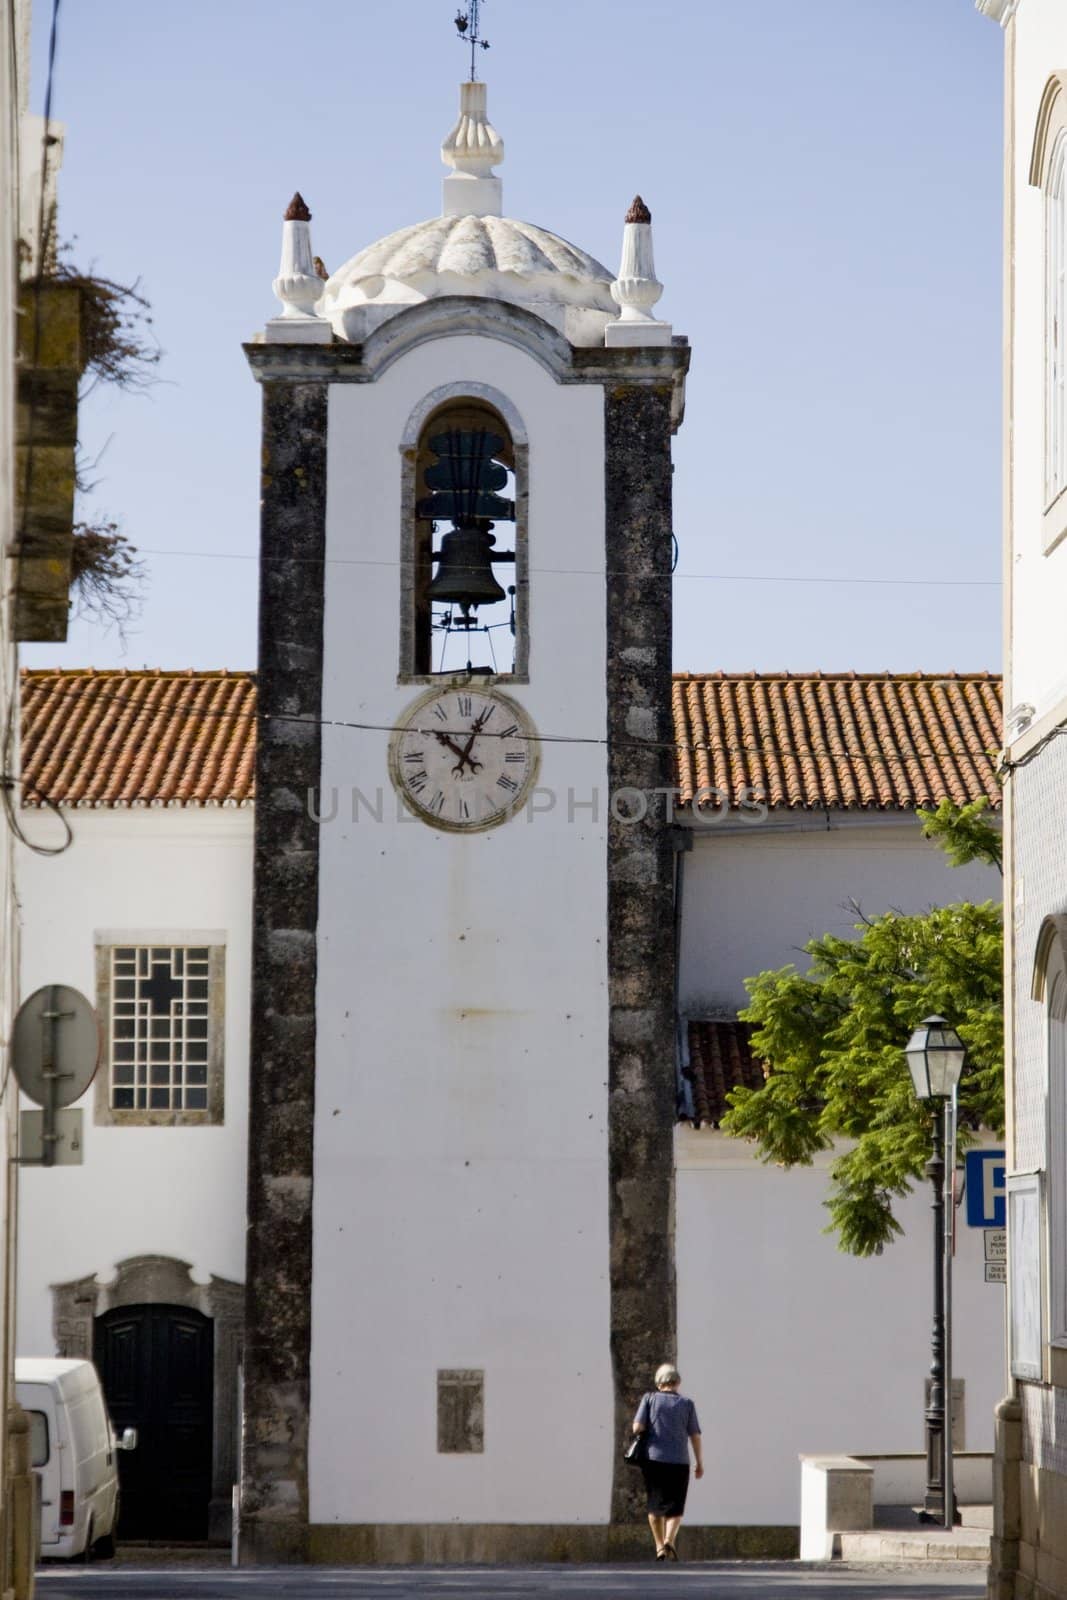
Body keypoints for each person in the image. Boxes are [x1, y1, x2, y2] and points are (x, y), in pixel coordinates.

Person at [631, 1363, 703, 1561]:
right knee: (676, 1505)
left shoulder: (649, 1399)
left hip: (654, 1460)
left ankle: (659, 1546)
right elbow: (695, 1435)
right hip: (680, 1462)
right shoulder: (687, 1404)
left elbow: (637, 1427)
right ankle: (670, 1540)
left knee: (655, 1504)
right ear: (677, 1382)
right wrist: (699, 1462)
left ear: (658, 1383)